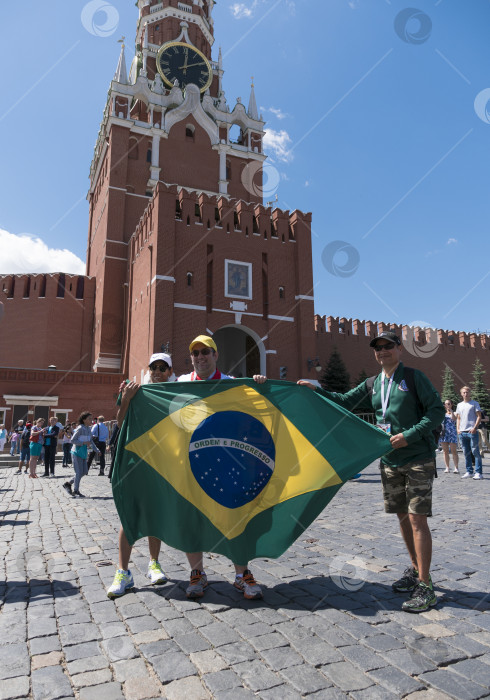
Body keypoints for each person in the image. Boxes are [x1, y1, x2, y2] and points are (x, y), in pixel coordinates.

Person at [298, 331, 445, 613]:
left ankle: (425, 587)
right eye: (378, 348)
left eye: (388, 346)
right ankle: (415, 570)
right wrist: (315, 390)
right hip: (389, 460)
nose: (382, 351)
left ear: (399, 349)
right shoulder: (372, 384)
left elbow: (436, 411)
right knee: (402, 519)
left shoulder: (414, 378)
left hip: (417, 457)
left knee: (417, 520)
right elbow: (343, 401)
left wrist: (410, 435)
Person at [177, 335, 267, 601]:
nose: (200, 357)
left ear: (216, 355)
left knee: (233, 519)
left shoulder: (231, 385)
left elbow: (256, 412)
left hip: (226, 464)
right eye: (195, 353)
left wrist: (261, 387)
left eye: (206, 352)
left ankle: (242, 575)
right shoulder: (179, 384)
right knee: (192, 519)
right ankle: (197, 574)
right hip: (190, 463)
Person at [107, 353, 174, 598]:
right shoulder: (136, 392)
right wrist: (125, 399)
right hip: (135, 463)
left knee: (154, 515)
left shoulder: (174, 395)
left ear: (169, 371)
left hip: (160, 465)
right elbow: (120, 422)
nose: (158, 371)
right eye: (154, 367)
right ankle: (123, 572)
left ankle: (154, 564)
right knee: (129, 515)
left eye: (162, 367)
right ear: (148, 370)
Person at [62, 412, 100, 498]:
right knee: (79, 472)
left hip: (83, 452)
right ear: (84, 420)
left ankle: (68, 484)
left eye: (91, 418)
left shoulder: (88, 429)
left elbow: (91, 441)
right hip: (76, 452)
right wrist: (83, 443)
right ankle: (76, 490)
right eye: (89, 419)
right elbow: (72, 440)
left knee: (84, 472)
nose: (91, 420)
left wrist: (97, 450)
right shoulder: (80, 429)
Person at [456, 386, 483, 480]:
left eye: (467, 392)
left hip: (472, 431)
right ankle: (469, 471)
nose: (465, 394)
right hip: (462, 432)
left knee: (475, 452)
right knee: (466, 452)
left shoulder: (474, 403)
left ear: (470, 393)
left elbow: (479, 416)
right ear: (461, 393)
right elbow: (458, 418)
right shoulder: (459, 405)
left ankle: (478, 472)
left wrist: (475, 427)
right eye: (464, 392)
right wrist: (458, 429)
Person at [440, 400, 459, 473]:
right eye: (445, 404)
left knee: (454, 451)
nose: (447, 405)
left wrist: (451, 411)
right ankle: (447, 467)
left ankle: (456, 467)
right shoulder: (442, 413)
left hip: (452, 433)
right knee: (445, 451)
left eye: (448, 404)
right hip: (444, 433)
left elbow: (454, 419)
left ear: (451, 404)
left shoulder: (454, 413)